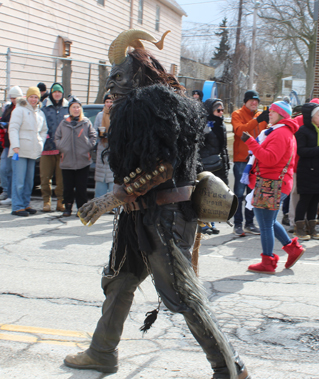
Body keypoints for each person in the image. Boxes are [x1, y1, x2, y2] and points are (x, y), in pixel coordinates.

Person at [63, 30, 250, 379]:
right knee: (119, 280)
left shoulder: (150, 104)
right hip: (141, 216)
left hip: (163, 216)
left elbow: (161, 166)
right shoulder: (149, 103)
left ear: (135, 72)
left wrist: (111, 198)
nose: (111, 87)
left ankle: (230, 368)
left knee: (181, 294)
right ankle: (101, 353)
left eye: (117, 77)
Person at [241, 101, 305, 274]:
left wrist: (251, 143)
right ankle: (292, 249)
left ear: (283, 115)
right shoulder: (280, 131)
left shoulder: (281, 133)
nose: (269, 114)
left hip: (272, 184)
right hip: (272, 183)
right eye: (269, 111)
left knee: (266, 224)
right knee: (267, 221)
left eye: (273, 112)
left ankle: (268, 262)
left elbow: (269, 159)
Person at [231, 90, 267, 236]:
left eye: (257, 100)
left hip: (256, 161)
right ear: (245, 101)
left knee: (252, 194)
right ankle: (238, 224)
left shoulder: (261, 116)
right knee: (239, 194)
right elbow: (240, 131)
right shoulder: (237, 114)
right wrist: (257, 121)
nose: (254, 103)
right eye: (252, 100)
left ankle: (250, 224)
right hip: (241, 161)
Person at [8, 87, 48, 216]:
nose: (33, 99)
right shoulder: (19, 110)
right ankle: (17, 206)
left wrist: (40, 143)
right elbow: (13, 128)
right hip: (19, 150)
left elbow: (43, 130)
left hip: (33, 150)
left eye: (36, 97)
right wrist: (15, 145)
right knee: (19, 180)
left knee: (29, 181)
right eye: (31, 96)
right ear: (27, 97)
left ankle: (25, 204)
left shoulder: (40, 113)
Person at [294, 103, 319, 240]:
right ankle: (299, 229)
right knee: (305, 199)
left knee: (315, 200)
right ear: (311, 117)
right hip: (307, 170)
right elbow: (301, 150)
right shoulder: (303, 131)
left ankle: (312, 228)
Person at [55, 97, 97, 217]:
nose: (76, 109)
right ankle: (67, 207)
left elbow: (93, 136)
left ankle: (81, 209)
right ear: (69, 109)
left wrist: (88, 146)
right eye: (73, 107)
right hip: (67, 160)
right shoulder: (64, 123)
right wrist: (62, 147)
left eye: (78, 107)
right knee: (68, 187)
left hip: (83, 160)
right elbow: (57, 137)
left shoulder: (86, 122)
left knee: (81, 188)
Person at [199, 98, 230, 234]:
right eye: (218, 110)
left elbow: (223, 148)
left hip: (218, 164)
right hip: (206, 164)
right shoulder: (203, 124)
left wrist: (226, 164)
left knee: (214, 195)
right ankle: (202, 224)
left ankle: (211, 223)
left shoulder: (221, 125)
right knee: (204, 194)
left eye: (223, 110)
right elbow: (198, 145)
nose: (221, 113)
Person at [40, 83, 68, 212]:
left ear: (62, 94)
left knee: (61, 178)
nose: (57, 94)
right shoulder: (44, 108)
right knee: (45, 177)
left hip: (62, 149)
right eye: (55, 92)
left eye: (59, 92)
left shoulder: (67, 109)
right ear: (51, 93)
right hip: (47, 148)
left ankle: (60, 201)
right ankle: (46, 201)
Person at [0, 86, 23, 205]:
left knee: (14, 171)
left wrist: (7, 124)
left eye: (14, 97)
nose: (13, 100)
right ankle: (6, 191)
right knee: (4, 169)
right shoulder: (8, 108)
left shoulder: (22, 108)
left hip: (18, 144)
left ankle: (11, 194)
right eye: (11, 98)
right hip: (8, 143)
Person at [94, 93, 114, 199]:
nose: (109, 104)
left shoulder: (117, 114)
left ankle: (113, 206)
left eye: (111, 102)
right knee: (100, 177)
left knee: (112, 177)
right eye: (107, 102)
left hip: (113, 149)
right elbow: (94, 131)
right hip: (102, 147)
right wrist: (100, 134)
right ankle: (99, 202)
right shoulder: (100, 115)